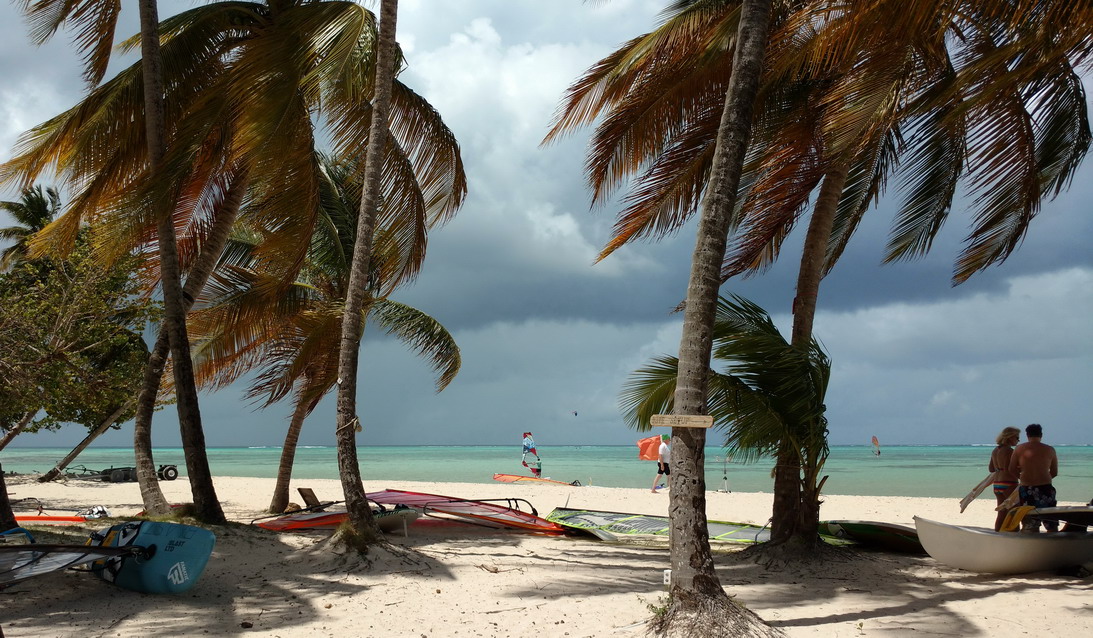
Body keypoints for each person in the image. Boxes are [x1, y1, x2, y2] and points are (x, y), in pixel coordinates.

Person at [1007, 423, 1059, 532]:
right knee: (1051, 523)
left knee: (1030, 524)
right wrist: (1044, 478)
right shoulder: (1050, 449)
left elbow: (1011, 469)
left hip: (1027, 488)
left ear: (1027, 435)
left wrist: (1022, 478)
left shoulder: (1019, 449)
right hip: (1045, 488)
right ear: (1041, 434)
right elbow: (1054, 472)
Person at [989, 426, 1020, 531]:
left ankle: (998, 535)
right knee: (1014, 513)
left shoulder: (995, 450)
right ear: (1010, 437)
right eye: (1017, 437)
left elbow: (991, 469)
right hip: (1009, 483)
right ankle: (1014, 535)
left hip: (997, 483)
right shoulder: (1010, 451)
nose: (1018, 440)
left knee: (1001, 513)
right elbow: (1011, 469)